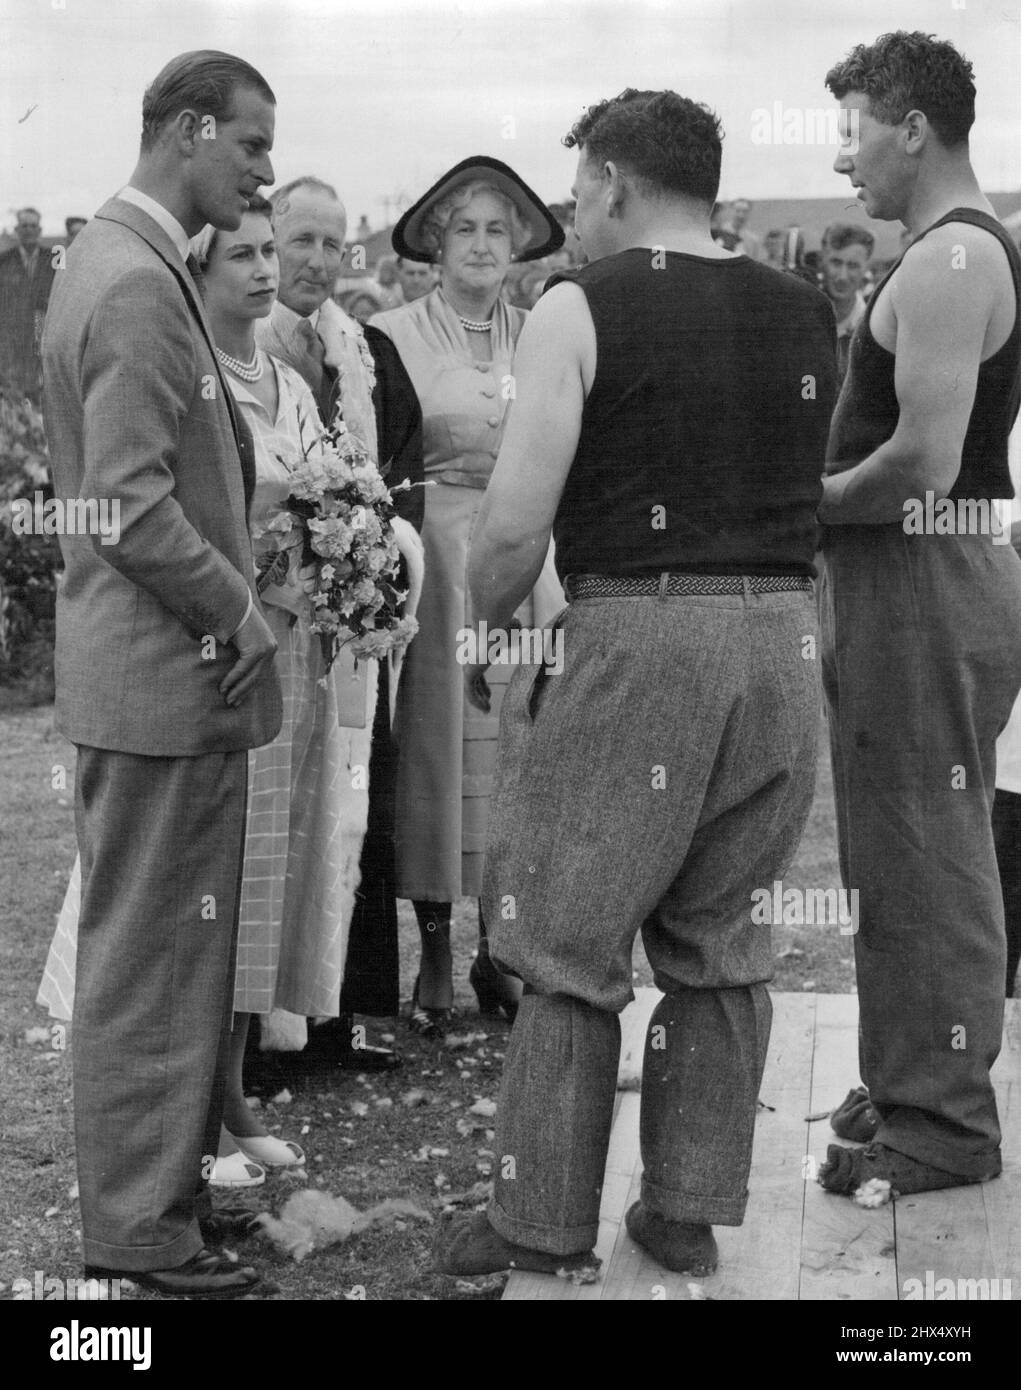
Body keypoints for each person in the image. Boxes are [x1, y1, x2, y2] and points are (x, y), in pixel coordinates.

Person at [436, 88, 836, 1277]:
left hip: (642, 635)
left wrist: (489, 631)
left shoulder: (575, 306)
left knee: (566, 936)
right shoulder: (805, 307)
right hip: (779, 639)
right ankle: (686, 1209)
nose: (572, 216)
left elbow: (510, 531)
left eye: (576, 193)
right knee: (720, 940)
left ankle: (537, 1219)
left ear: (611, 182)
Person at [40, 50, 281, 1298]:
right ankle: (136, 1233)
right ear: (189, 131)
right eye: (249, 144)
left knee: (177, 953)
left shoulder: (121, 263)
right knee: (147, 961)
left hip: (153, 679)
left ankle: (165, 1203)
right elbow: (128, 506)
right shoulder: (136, 284)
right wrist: (238, 609)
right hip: (162, 675)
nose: (263, 170)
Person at [816, 32, 1021, 1198]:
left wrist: (797, 504)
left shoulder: (949, 262)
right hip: (919, 579)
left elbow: (922, 464)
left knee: (925, 853)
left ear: (911, 129)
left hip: (924, 575)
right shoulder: (947, 255)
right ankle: (909, 1078)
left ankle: (942, 1122)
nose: (845, 161)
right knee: (902, 848)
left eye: (853, 130)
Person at [370, 156, 566, 1035]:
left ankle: (505, 948)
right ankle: (439, 949)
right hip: (441, 561)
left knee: (526, 748)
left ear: (519, 245)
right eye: (464, 230)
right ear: (435, 247)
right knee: (440, 748)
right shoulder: (392, 334)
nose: (481, 246)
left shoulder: (548, 330)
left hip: (531, 551)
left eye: (497, 229)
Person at [252, 175, 425, 1078]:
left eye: (331, 243)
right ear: (265, 241)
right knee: (281, 810)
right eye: (299, 241)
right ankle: (267, 1024)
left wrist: (374, 561)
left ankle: (346, 1013)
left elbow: (402, 473)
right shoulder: (240, 348)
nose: (316, 260)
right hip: (273, 623)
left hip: (349, 625)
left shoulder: (361, 352)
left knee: (361, 803)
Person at [0, 207, 55, 400]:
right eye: (24, 226)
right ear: (17, 229)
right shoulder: (4, 261)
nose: (29, 230)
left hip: (44, 339)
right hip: (13, 344)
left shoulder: (55, 260)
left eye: (33, 225)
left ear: (40, 230)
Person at [819, 223, 875, 381]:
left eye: (853, 266)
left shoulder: (872, 328)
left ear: (866, 268)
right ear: (823, 260)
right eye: (836, 263)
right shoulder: (802, 317)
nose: (842, 276)